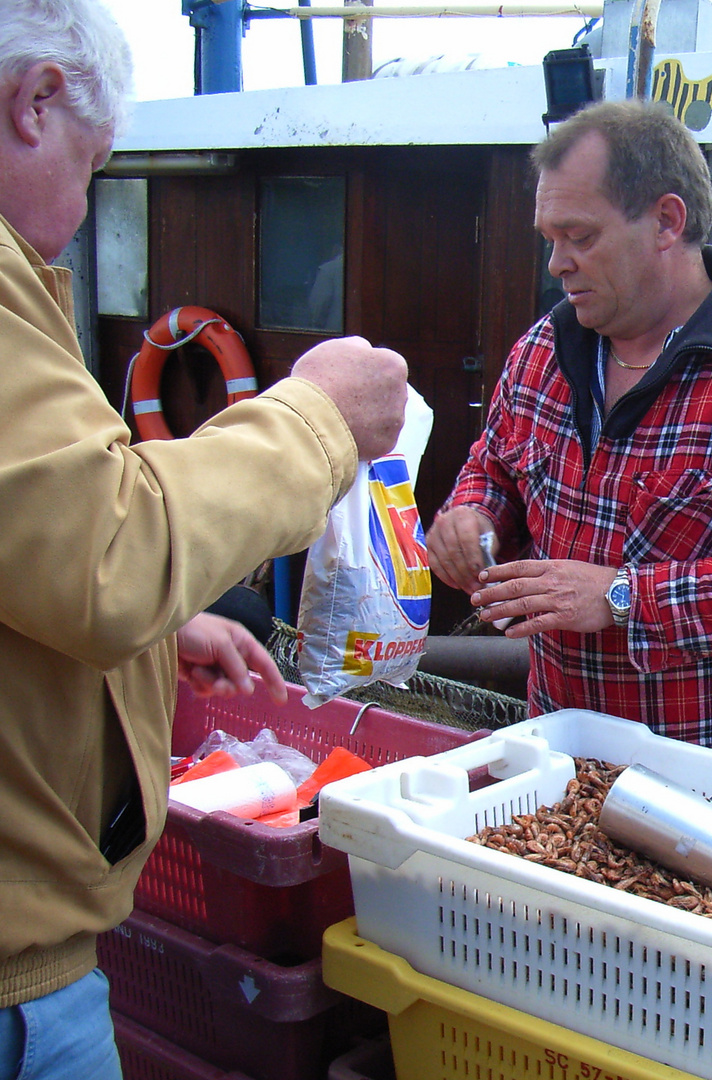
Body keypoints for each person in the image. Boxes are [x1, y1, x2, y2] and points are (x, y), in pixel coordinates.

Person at [0, 2, 409, 1075]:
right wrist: (315, 418)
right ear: (35, 101)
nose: (76, 220)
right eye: (93, 172)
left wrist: (152, 634)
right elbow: (104, 552)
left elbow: (37, 545)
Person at [428, 100, 712, 774]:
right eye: (550, 238)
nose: (557, 263)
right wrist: (472, 517)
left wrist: (622, 598)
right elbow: (493, 469)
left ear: (667, 221)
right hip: (559, 769)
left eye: (580, 236)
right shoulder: (542, 350)